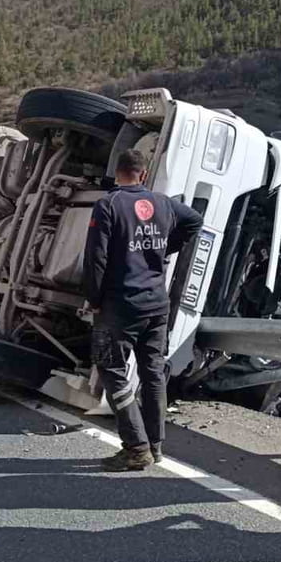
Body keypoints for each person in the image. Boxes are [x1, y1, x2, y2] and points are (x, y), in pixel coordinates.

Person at [83, 148, 204, 471]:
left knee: (111, 368)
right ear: (144, 174)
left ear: (116, 172)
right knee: (152, 373)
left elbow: (97, 258)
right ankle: (156, 444)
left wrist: (93, 299)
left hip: (121, 304)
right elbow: (194, 221)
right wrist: (166, 248)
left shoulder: (108, 205)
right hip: (156, 303)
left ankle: (136, 446)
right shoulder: (163, 204)